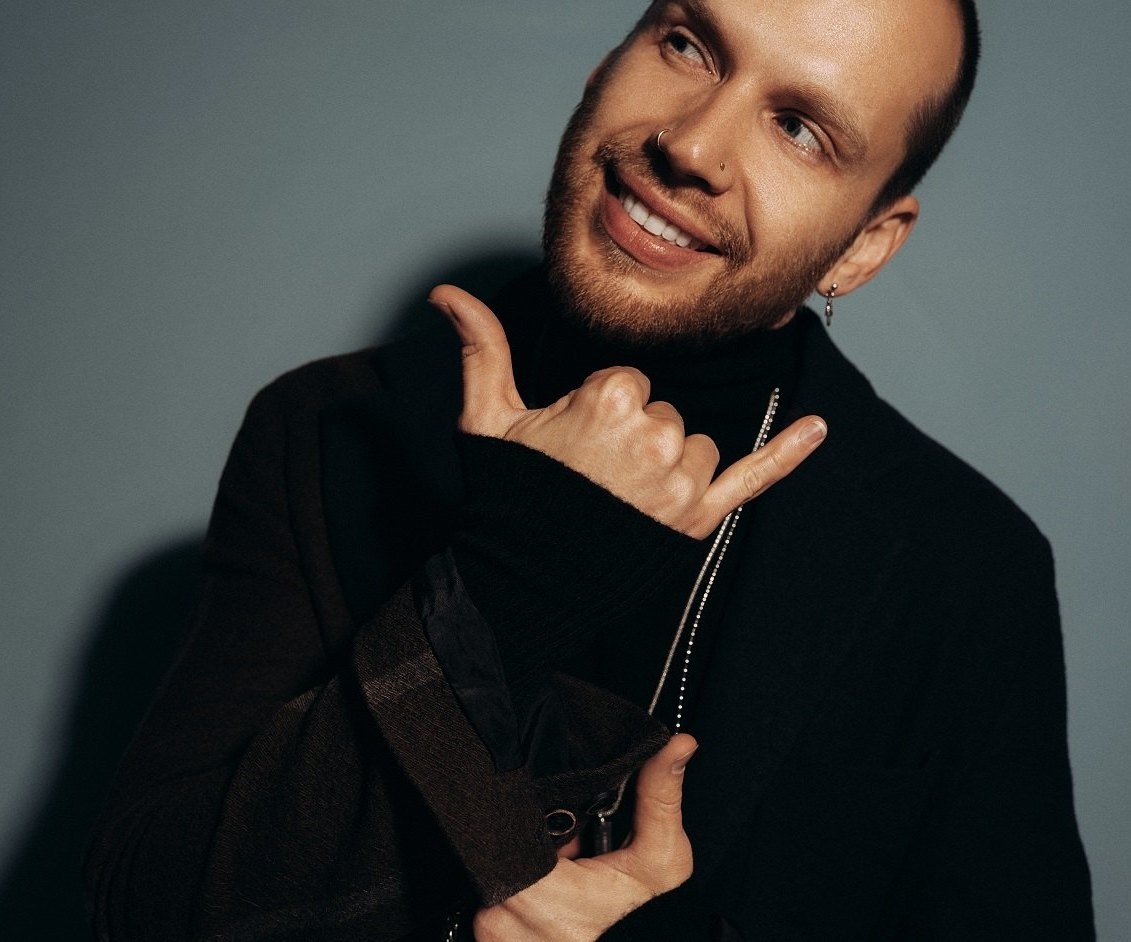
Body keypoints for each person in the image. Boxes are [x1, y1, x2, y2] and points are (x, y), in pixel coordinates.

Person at [86, 0, 1095, 938]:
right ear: (608, 62)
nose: (690, 145)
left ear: (862, 248)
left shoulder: (962, 565)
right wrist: (509, 582)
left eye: (800, 129)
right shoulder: (331, 427)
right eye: (688, 45)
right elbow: (145, 911)